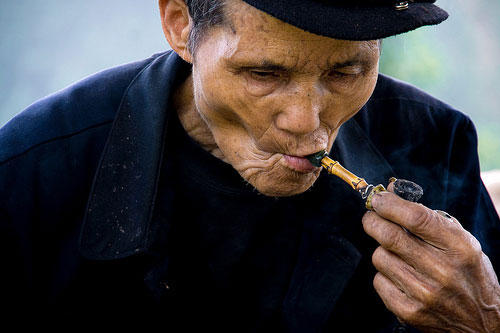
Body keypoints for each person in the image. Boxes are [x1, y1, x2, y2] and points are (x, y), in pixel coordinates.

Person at [1, 0, 500, 331]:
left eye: (346, 71)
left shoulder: (435, 141)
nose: (307, 124)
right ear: (181, 25)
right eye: (264, 73)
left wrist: (484, 321)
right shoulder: (30, 176)